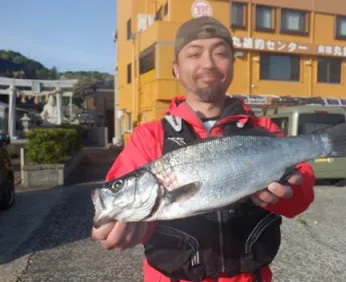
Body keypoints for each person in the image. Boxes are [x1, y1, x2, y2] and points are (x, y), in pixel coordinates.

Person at [92, 16, 316, 282]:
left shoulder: (263, 129)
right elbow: (119, 199)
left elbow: (301, 198)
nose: (208, 63)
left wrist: (287, 193)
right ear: (176, 68)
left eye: (220, 53)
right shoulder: (149, 135)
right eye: (194, 53)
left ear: (232, 65)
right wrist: (115, 227)